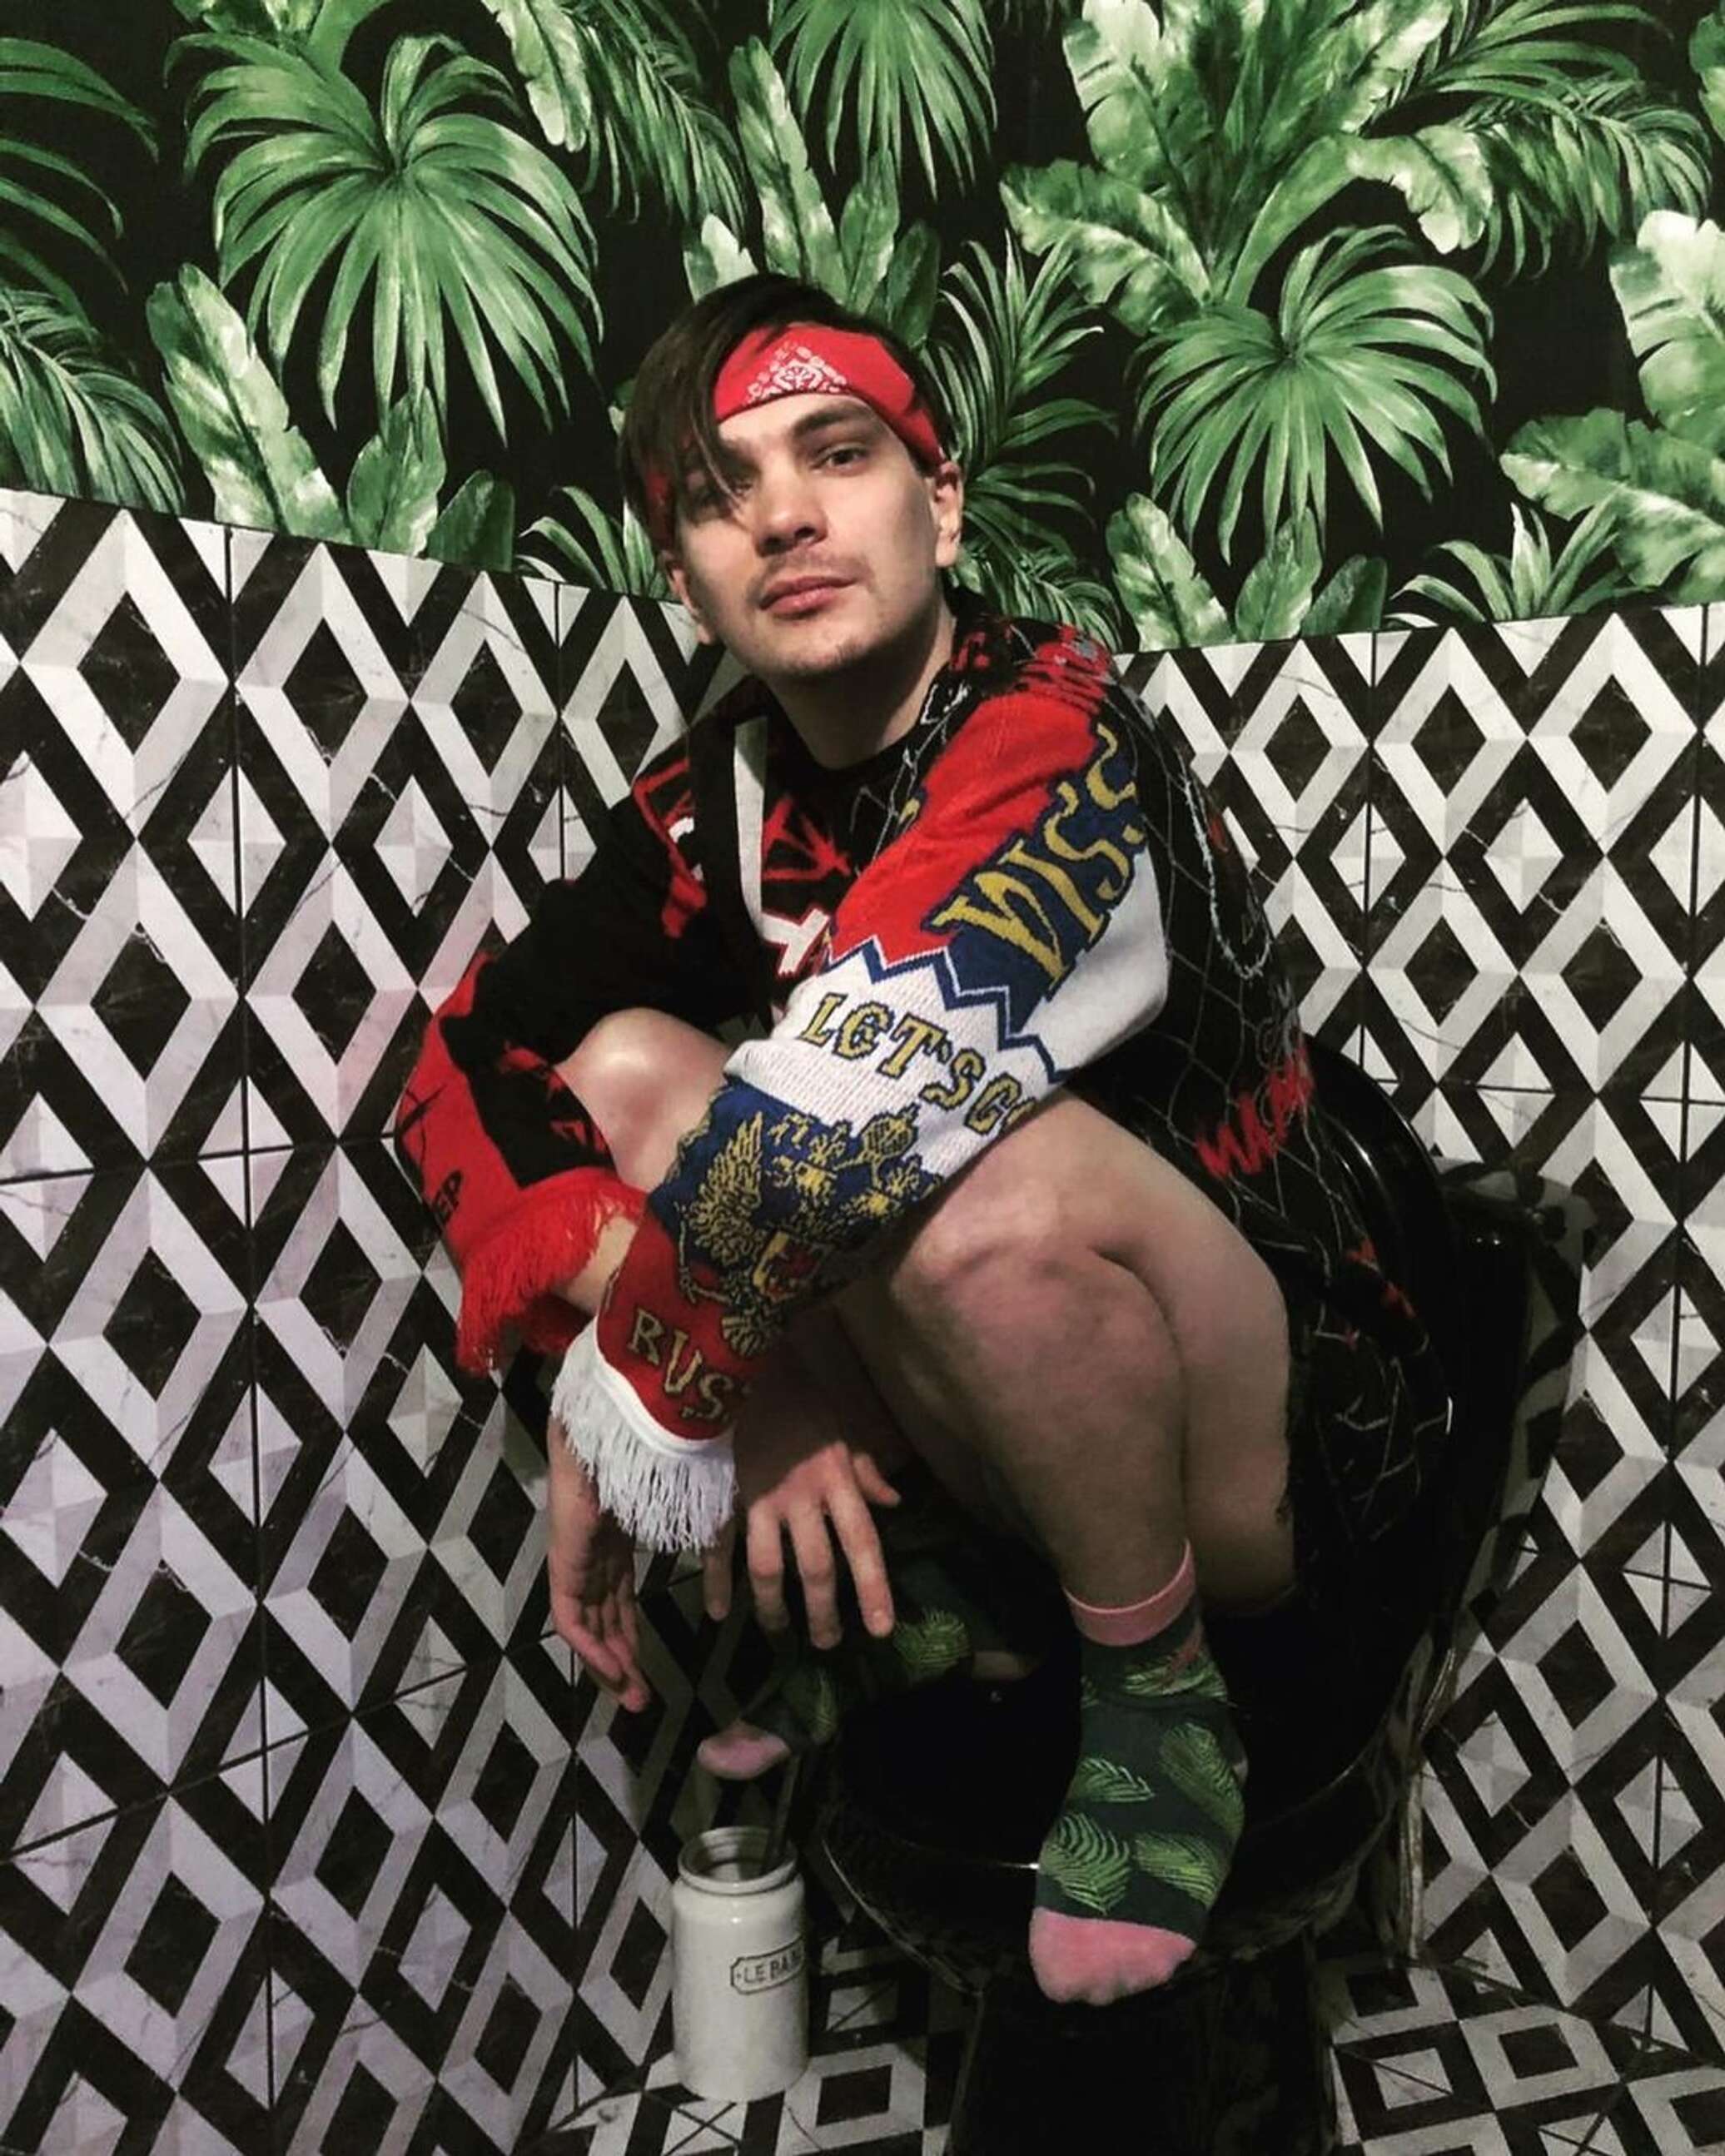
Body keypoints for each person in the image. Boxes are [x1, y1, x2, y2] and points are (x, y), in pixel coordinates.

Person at [392, 273, 1451, 2009]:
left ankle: (1162, 1702)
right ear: (684, 578)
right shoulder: (714, 801)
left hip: (1283, 1423)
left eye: (838, 453)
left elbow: (882, 1071)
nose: (783, 515)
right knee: (631, 1063)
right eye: (720, 491)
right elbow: (465, 1055)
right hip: (997, 1395)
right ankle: (967, 1590)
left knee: (960, 1170)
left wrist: (640, 1389)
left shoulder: (1056, 721)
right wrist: (747, 1394)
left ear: (939, 503)